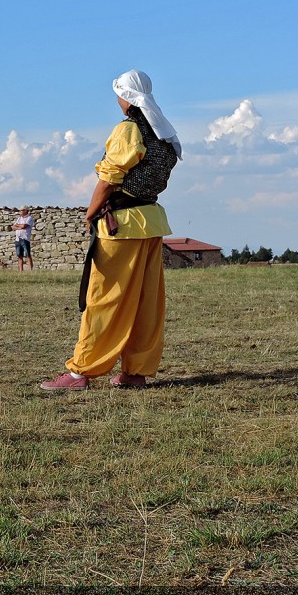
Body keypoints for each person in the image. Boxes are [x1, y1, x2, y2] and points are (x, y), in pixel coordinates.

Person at [41, 69, 181, 391]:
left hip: (122, 225)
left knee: (103, 298)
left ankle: (81, 372)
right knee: (147, 301)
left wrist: (90, 213)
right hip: (151, 222)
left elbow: (109, 178)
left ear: (126, 98)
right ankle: (136, 372)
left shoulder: (129, 130)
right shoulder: (161, 133)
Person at [13, 206, 35, 271]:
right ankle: (21, 271)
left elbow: (24, 226)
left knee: (28, 254)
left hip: (25, 238)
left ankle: (31, 270)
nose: (21, 211)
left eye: (22, 210)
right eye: (21, 210)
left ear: (26, 210)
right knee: (19, 255)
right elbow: (13, 227)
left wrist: (18, 225)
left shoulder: (29, 218)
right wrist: (20, 227)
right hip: (18, 239)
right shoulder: (19, 218)